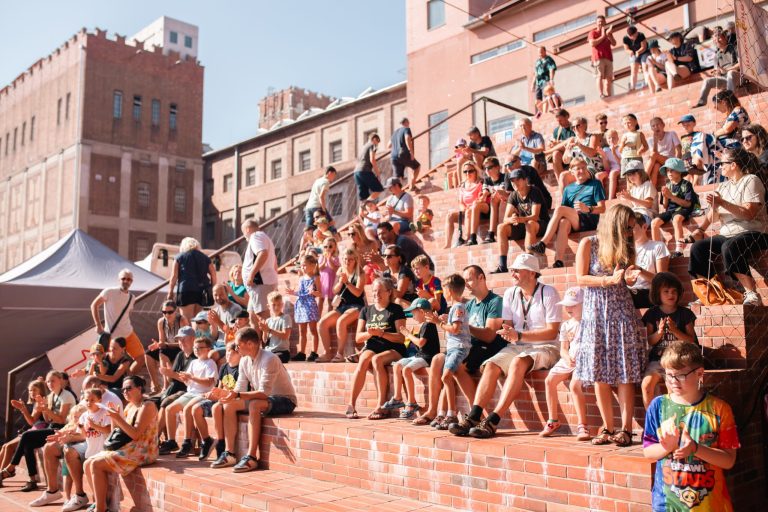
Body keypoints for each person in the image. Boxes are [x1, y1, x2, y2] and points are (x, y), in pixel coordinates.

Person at [448, 254, 562, 438]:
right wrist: (507, 332)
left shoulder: (549, 292)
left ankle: (493, 420)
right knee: (491, 365)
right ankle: (474, 416)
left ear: (532, 273)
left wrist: (519, 335)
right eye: (512, 270)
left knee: (518, 362)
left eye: (517, 270)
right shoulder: (510, 293)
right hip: (519, 345)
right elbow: (508, 326)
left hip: (546, 346)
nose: (513, 273)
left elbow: (552, 332)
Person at [573, 204, 646, 447]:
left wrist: (629, 279)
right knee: (599, 374)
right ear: (614, 225)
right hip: (595, 314)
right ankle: (607, 426)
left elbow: (626, 282)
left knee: (625, 372)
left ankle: (625, 429)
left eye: (631, 229)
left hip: (621, 312)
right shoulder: (589, 244)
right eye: (626, 228)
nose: (629, 233)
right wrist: (608, 279)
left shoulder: (627, 248)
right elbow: (580, 278)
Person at [642, 341, 739, 511]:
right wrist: (667, 447)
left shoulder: (719, 409)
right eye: (669, 375)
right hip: (666, 504)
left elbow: (729, 460)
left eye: (680, 375)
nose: (673, 381)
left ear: (699, 373)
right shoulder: (658, 407)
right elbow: (648, 451)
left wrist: (695, 448)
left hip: (710, 505)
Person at [688, 147, 768, 306]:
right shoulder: (724, 186)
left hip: (753, 232)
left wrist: (721, 202)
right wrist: (701, 228)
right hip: (728, 232)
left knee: (729, 246)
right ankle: (710, 294)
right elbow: (714, 213)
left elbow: (749, 214)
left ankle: (752, 294)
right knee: (698, 248)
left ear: (733, 165)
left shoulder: (751, 180)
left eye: (722, 163)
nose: (719, 167)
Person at [218, 328, 297, 473]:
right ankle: (230, 454)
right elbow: (240, 387)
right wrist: (229, 394)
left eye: (238, 345)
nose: (236, 348)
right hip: (264, 399)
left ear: (250, 344)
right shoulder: (244, 361)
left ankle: (252, 457)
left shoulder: (270, 359)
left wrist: (238, 395)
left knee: (254, 404)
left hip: (284, 400)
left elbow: (263, 393)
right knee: (228, 405)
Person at [84, 376, 159, 512]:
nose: (125, 391)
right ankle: (100, 503)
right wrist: (113, 417)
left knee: (96, 464)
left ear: (139, 388)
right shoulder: (130, 406)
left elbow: (136, 434)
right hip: (131, 447)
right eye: (123, 389)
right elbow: (116, 433)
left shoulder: (147, 405)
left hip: (144, 450)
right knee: (87, 463)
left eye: (129, 388)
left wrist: (118, 417)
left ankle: (101, 508)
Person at [0, 371, 76, 492]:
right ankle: (32, 480)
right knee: (27, 445)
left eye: (53, 381)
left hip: (63, 429)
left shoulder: (66, 396)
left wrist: (45, 408)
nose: (50, 383)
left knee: (25, 436)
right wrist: (43, 408)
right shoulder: (51, 396)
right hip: (51, 427)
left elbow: (62, 420)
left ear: (60, 380)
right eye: (48, 381)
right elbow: (48, 419)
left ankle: (11, 468)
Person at [346, 278, 407, 420]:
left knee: (377, 360)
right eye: (374, 291)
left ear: (389, 292)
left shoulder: (396, 310)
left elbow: (401, 337)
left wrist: (382, 333)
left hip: (394, 348)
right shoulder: (366, 310)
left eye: (380, 291)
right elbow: (358, 338)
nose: (376, 294)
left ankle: (381, 406)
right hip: (373, 345)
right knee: (363, 360)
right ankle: (351, 404)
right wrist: (370, 333)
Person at [531, 158, 607, 268]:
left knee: (559, 210)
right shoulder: (568, 189)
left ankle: (543, 243)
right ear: (571, 171)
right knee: (563, 222)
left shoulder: (595, 184)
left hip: (589, 218)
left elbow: (602, 208)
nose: (581, 171)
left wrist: (588, 208)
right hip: (574, 219)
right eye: (578, 169)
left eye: (583, 168)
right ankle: (559, 261)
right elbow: (565, 209)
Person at [641, 273, 698, 409]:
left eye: (674, 291)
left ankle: (674, 421)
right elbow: (650, 341)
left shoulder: (685, 314)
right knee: (646, 386)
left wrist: (675, 330)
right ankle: (652, 423)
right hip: (657, 360)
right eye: (666, 291)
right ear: (657, 293)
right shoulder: (652, 313)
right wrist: (659, 332)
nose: (671, 295)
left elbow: (692, 341)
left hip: (678, 361)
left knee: (672, 388)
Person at [541, 287, 588, 440]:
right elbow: (563, 349)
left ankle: (582, 426)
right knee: (549, 380)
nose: (568, 308)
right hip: (570, 359)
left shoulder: (590, 323)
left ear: (585, 303)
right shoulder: (566, 325)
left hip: (585, 361)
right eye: (566, 305)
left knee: (575, 385)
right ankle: (553, 420)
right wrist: (567, 358)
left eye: (573, 304)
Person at [383, 299, 440, 420]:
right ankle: (398, 397)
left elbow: (420, 343)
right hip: (420, 355)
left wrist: (407, 334)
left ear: (421, 311)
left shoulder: (429, 324)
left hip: (428, 357)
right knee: (397, 365)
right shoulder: (424, 324)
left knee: (406, 370)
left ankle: (411, 402)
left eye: (414, 313)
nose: (413, 317)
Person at [162, 337, 217, 457]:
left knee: (187, 409)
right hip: (191, 393)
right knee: (169, 409)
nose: (196, 350)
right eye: (195, 348)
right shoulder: (193, 362)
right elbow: (189, 383)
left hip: (204, 394)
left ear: (208, 349)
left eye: (200, 348)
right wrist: (184, 379)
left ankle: (187, 443)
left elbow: (209, 383)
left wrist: (191, 378)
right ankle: (171, 441)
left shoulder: (210, 363)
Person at [188, 341, 241, 462]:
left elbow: (237, 391)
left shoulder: (240, 369)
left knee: (216, 407)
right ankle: (206, 440)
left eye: (232, 353)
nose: (228, 355)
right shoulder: (223, 367)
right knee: (196, 409)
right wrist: (212, 393)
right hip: (221, 397)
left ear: (239, 354)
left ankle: (221, 443)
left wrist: (219, 395)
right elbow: (220, 387)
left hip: (232, 399)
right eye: (227, 352)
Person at [492, 167, 549, 273]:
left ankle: (527, 262)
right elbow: (505, 218)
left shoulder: (534, 191)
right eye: (512, 181)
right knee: (501, 227)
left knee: (530, 224)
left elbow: (535, 216)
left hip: (541, 224)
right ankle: (502, 265)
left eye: (517, 179)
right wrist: (512, 219)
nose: (514, 183)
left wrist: (520, 219)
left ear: (525, 180)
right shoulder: (513, 195)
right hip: (524, 224)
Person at [91, 269, 144, 375]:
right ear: (119, 280)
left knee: (141, 358)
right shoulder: (109, 292)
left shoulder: (132, 297)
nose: (126, 281)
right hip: (112, 338)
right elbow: (94, 305)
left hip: (128, 333)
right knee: (106, 364)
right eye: (123, 278)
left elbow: (127, 315)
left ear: (131, 282)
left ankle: (127, 383)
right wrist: (98, 325)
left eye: (129, 279)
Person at [319, 248, 366, 363]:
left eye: (350, 259)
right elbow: (334, 291)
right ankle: (327, 353)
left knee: (341, 321)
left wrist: (347, 282)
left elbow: (358, 292)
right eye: (345, 259)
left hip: (357, 306)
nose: (347, 262)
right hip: (342, 306)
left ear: (355, 260)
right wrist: (340, 282)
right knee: (322, 323)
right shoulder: (340, 270)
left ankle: (339, 354)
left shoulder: (360, 272)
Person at [155, 327, 196, 452]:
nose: (181, 342)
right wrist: (168, 374)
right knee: (150, 402)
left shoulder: (195, 357)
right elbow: (173, 379)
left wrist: (171, 374)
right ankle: (157, 439)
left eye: (184, 339)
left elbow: (188, 380)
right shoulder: (179, 355)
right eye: (179, 340)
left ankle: (154, 439)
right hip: (174, 389)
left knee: (165, 403)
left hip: (186, 391)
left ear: (193, 339)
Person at [651, 158, 699, 258]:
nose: (669, 172)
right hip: (671, 210)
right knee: (654, 223)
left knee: (676, 219)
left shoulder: (686, 184)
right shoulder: (667, 185)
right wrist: (665, 196)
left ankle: (679, 250)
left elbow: (688, 204)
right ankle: (657, 250)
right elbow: (665, 206)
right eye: (667, 170)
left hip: (683, 209)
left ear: (680, 171)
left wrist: (671, 196)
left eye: (672, 170)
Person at [0, 379, 48, 477]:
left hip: (39, 431)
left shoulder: (41, 402)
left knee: (9, 447)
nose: (32, 392)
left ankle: (3, 474)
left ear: (41, 390)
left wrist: (23, 409)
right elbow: (32, 422)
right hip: (33, 429)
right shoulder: (36, 403)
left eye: (34, 390)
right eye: (30, 390)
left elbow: (31, 421)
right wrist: (23, 409)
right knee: (5, 446)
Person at [167, 237, 217, 323]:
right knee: (199, 321)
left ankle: (187, 336)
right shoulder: (205, 258)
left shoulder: (179, 257)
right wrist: (213, 289)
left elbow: (174, 276)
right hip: (203, 291)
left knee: (186, 320)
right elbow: (213, 275)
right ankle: (197, 336)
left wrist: (170, 292)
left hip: (186, 289)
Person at [287, 254, 323, 362]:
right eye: (301, 266)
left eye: (305, 265)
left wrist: (314, 292)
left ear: (312, 265)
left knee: (312, 329)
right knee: (302, 331)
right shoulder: (301, 278)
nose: (302, 268)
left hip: (310, 305)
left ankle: (314, 352)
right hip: (301, 305)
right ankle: (302, 352)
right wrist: (293, 292)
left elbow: (320, 294)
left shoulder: (315, 278)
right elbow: (301, 292)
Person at [629, 213, 670, 309]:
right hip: (630, 292)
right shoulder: (626, 250)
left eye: (632, 228)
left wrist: (639, 270)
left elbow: (662, 281)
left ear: (644, 227)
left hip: (648, 293)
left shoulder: (658, 246)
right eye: (628, 228)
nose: (629, 232)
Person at [241, 219, 279, 322]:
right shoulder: (263, 237)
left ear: (247, 229)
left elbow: (263, 253)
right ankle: (258, 338)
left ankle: (269, 338)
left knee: (263, 317)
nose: (244, 236)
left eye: (243, 232)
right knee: (253, 317)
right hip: (260, 285)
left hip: (260, 283)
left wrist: (251, 275)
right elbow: (274, 260)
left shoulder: (255, 236)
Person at [146, 300, 187, 394]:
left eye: (170, 312)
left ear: (176, 311)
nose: (167, 315)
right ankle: (156, 385)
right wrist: (158, 344)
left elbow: (185, 343)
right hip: (167, 347)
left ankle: (165, 386)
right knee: (148, 354)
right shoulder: (161, 322)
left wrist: (163, 344)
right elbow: (162, 341)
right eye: (164, 312)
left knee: (162, 353)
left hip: (180, 348)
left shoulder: (182, 320)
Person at [444, 161, 488, 247]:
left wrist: (469, 207)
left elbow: (483, 199)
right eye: (465, 171)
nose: (468, 173)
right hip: (467, 210)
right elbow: (460, 202)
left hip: (479, 208)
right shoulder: (463, 185)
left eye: (470, 171)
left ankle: (468, 239)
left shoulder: (481, 182)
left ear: (476, 171)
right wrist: (463, 208)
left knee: (469, 211)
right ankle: (448, 244)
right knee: (450, 215)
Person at [695, 30, 741, 108]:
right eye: (715, 40)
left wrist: (728, 70)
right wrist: (717, 72)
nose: (717, 41)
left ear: (725, 38)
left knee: (731, 73)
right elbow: (718, 71)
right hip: (725, 79)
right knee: (707, 81)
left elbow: (741, 64)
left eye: (719, 38)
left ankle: (730, 99)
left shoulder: (734, 48)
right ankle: (701, 102)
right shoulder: (716, 55)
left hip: (737, 76)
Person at [560, 116, 606, 194]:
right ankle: (566, 203)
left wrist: (579, 145)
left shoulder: (592, 137)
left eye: (578, 125)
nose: (575, 128)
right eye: (573, 127)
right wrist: (568, 150)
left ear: (585, 126)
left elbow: (592, 153)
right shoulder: (572, 140)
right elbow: (565, 161)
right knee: (563, 175)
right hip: (577, 169)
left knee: (579, 173)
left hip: (592, 167)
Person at [617, 160, 658, 227]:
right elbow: (634, 206)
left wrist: (631, 198)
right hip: (635, 214)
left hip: (647, 215)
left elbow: (648, 204)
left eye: (633, 173)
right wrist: (624, 198)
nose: (631, 176)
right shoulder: (633, 189)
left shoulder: (648, 185)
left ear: (641, 173)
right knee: (619, 219)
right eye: (629, 175)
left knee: (631, 221)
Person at [257, 292, 293, 363]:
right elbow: (264, 340)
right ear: (268, 306)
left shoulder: (286, 317)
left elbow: (285, 335)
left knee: (270, 360)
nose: (276, 307)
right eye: (273, 305)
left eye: (279, 304)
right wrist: (264, 330)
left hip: (282, 352)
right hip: (269, 351)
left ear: (282, 305)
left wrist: (269, 330)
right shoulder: (268, 320)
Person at [645, 117, 682, 187]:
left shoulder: (671, 134)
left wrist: (677, 163)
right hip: (658, 161)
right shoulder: (650, 140)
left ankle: (643, 177)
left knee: (653, 155)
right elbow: (653, 156)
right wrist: (655, 142)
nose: (656, 127)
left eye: (658, 124)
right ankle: (651, 190)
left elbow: (679, 149)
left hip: (670, 160)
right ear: (651, 129)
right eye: (653, 126)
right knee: (656, 167)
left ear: (663, 125)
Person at [588, 15, 616, 98]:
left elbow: (614, 43)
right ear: (596, 23)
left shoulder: (607, 32)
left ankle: (609, 95)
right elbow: (592, 43)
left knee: (609, 78)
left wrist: (609, 35)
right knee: (599, 76)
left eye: (602, 21)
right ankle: (601, 94)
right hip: (598, 58)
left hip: (608, 57)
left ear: (605, 22)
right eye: (599, 21)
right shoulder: (593, 33)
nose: (600, 23)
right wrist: (603, 36)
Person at [388, 118, 421, 187]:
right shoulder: (406, 129)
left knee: (398, 177)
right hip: (403, 153)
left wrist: (396, 145)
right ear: (406, 122)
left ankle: (398, 191)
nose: (409, 124)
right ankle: (412, 184)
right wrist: (411, 152)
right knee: (417, 167)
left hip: (393, 156)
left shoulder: (394, 133)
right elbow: (407, 138)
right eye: (408, 123)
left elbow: (388, 145)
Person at [481, 157, 507, 243]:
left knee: (496, 196)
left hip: (507, 203)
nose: (487, 170)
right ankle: (491, 234)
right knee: (493, 199)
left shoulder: (505, 177)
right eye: (485, 168)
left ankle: (493, 233)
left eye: (489, 167)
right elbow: (485, 191)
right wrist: (482, 196)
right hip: (495, 204)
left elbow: (502, 191)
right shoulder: (487, 180)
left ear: (498, 167)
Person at [546, 109, 576, 179]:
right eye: (558, 121)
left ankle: (546, 153)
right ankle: (560, 181)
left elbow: (575, 143)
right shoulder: (557, 130)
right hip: (562, 155)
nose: (559, 123)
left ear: (567, 117)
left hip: (573, 152)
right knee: (555, 153)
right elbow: (554, 141)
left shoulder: (574, 128)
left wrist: (559, 143)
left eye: (561, 120)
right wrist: (551, 143)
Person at [354, 133, 384, 201]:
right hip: (365, 171)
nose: (377, 145)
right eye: (377, 142)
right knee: (378, 189)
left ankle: (362, 209)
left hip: (356, 172)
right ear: (374, 139)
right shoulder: (372, 145)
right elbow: (372, 160)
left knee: (363, 197)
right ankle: (366, 204)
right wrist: (378, 174)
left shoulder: (363, 147)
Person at [317, 237, 340, 315]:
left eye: (330, 246)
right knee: (321, 299)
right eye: (325, 246)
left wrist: (329, 260)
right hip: (323, 282)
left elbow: (335, 269)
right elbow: (319, 268)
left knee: (330, 301)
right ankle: (318, 317)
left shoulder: (335, 258)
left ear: (334, 247)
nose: (328, 248)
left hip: (331, 281)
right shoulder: (321, 257)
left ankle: (328, 316)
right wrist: (324, 261)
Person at [623, 26, 649, 92]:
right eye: (631, 36)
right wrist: (630, 51)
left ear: (636, 32)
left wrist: (638, 52)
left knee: (644, 67)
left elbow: (644, 47)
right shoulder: (625, 38)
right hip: (634, 54)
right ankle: (632, 87)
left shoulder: (641, 35)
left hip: (644, 52)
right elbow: (626, 49)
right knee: (634, 70)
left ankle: (647, 83)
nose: (634, 38)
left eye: (634, 35)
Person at [532, 46, 557, 114]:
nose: (540, 53)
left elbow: (551, 69)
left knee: (545, 97)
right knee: (537, 101)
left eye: (541, 51)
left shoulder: (549, 60)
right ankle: (542, 112)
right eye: (539, 52)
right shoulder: (538, 61)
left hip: (545, 81)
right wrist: (533, 84)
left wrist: (551, 79)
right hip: (538, 83)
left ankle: (545, 113)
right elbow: (535, 73)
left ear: (545, 51)